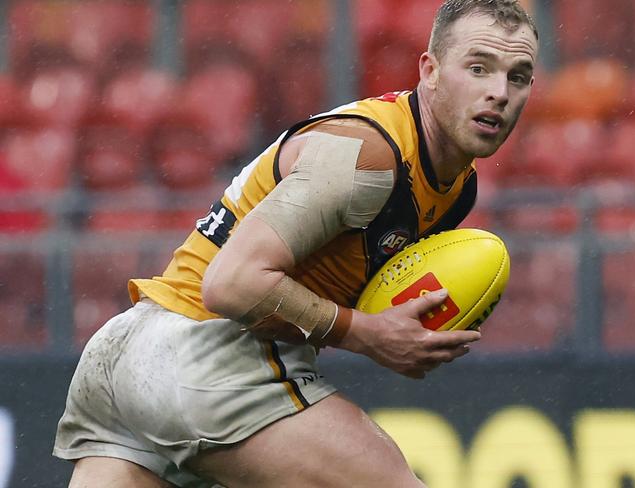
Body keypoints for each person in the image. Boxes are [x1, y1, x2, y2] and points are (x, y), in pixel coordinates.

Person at [53, 0, 539, 486]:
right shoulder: (368, 155)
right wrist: (366, 334)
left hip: (127, 357)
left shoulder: (456, 186)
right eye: (478, 68)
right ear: (429, 71)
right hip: (205, 354)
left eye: (518, 77)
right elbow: (231, 284)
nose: (498, 92)